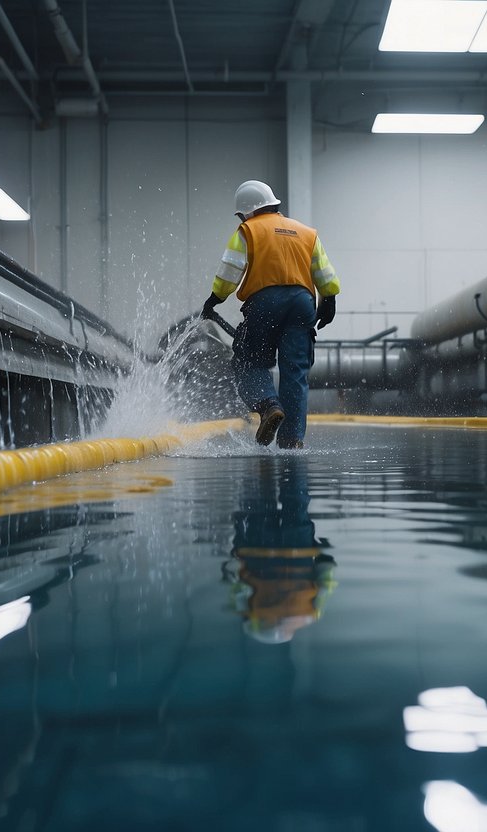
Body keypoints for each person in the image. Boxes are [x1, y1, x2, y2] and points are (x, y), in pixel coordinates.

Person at [201, 179, 340, 449]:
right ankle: (292, 440)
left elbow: (230, 270)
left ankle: (268, 407)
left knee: (249, 362)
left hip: (264, 302)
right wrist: (329, 299)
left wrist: (215, 299)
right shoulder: (306, 232)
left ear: (248, 211)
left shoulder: (248, 230)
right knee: (295, 371)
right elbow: (324, 272)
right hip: (302, 303)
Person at [224, 456, 336, 644]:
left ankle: (274, 461)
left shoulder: (309, 614)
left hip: (294, 552)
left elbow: (326, 579)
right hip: (259, 552)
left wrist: (324, 556)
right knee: (259, 502)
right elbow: (234, 580)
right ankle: (269, 461)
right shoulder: (253, 615)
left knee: (296, 501)